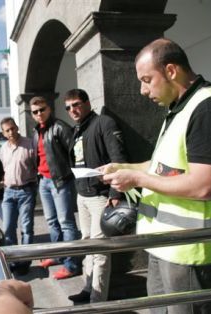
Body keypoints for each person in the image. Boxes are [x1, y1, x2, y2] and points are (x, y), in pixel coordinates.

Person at [101, 38, 211, 314]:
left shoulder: (209, 109)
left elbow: (202, 186)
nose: (142, 90)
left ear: (171, 71)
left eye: (146, 80)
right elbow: (162, 167)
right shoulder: (178, 109)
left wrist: (137, 180)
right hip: (164, 242)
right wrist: (124, 168)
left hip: (189, 248)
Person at [65, 89, 128, 303]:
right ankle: (87, 288)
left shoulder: (104, 123)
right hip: (82, 195)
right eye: (68, 107)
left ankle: (97, 299)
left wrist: (116, 192)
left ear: (87, 103)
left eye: (76, 104)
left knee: (100, 250)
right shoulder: (77, 130)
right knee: (87, 245)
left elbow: (118, 157)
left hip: (101, 197)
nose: (72, 110)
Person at [29, 96, 80, 280]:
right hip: (44, 181)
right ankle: (58, 255)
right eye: (35, 112)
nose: (39, 114)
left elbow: (74, 153)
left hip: (60, 181)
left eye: (42, 109)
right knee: (52, 222)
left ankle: (72, 265)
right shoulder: (36, 132)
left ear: (49, 109)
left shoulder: (60, 127)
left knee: (66, 223)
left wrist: (71, 175)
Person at [0, 117, 37, 275]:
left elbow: (37, 166)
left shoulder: (29, 144)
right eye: (7, 130)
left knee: (26, 229)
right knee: (8, 228)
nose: (11, 132)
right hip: (8, 192)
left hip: (26, 191)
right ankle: (13, 260)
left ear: (17, 127)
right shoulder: (3, 149)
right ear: (3, 133)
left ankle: (25, 262)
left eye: (12, 128)